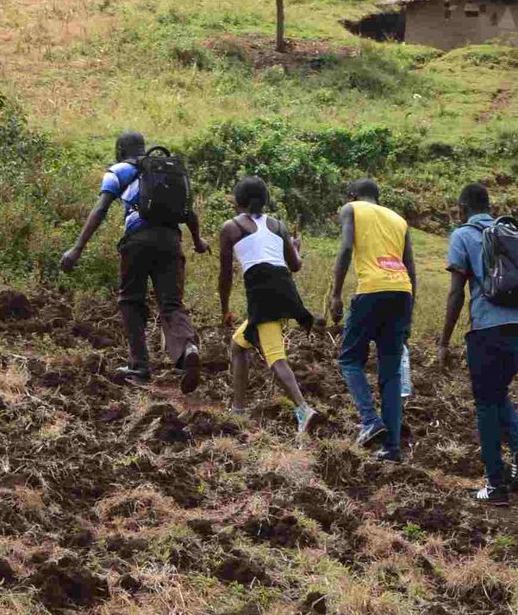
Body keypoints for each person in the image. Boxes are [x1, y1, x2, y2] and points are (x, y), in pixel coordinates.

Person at [59, 131, 205, 390]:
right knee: (171, 303)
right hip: (171, 241)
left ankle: (139, 366)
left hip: (137, 240)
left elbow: (101, 208)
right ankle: (188, 347)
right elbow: (188, 212)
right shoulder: (166, 171)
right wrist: (197, 241)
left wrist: (77, 248)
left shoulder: (119, 171)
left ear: (120, 151)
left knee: (131, 301)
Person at [438, 183, 518, 505]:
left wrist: (444, 341)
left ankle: (496, 485)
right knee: (497, 394)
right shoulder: (513, 234)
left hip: (486, 330)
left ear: (462, 206)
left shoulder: (464, 235)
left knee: (485, 404)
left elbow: (456, 292)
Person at [215, 177, 315, 435]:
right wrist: (295, 247)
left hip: (263, 294)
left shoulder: (231, 227)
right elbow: (295, 266)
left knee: (275, 357)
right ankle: (238, 409)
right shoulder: (278, 226)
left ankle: (304, 410)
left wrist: (224, 307)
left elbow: (225, 275)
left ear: (237, 202)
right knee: (238, 346)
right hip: (284, 290)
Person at [328, 180, 415, 465]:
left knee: (350, 359)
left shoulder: (351, 208)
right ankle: (392, 448)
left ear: (352, 195)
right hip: (402, 292)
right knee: (390, 374)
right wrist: (409, 314)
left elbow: (344, 250)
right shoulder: (399, 220)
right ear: (378, 198)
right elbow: (411, 269)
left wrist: (335, 294)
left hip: (372, 291)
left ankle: (369, 420)